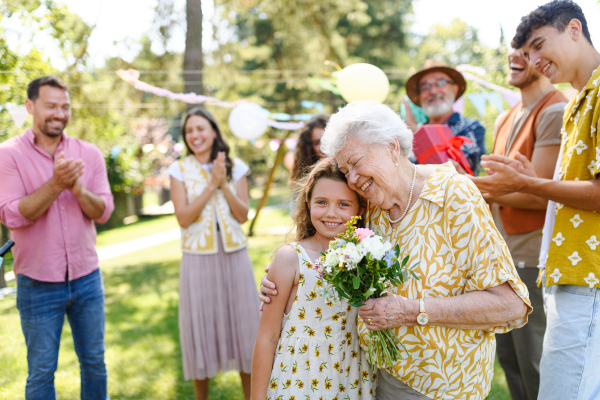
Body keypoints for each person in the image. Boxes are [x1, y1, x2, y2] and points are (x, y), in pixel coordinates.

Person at [260, 100, 531, 400]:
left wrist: (413, 311)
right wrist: (278, 283)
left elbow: (510, 304)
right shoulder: (373, 206)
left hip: (442, 387)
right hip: (376, 379)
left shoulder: (453, 195)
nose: (351, 179)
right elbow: (324, 248)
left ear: (391, 148)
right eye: (344, 169)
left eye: (355, 163)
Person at [472, 1, 600, 399]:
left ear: (575, 29)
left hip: (588, 275)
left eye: (540, 45)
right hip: (565, 269)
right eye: (529, 54)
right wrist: (528, 180)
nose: (536, 60)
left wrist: (528, 185)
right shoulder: (580, 99)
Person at [0, 76, 114, 399]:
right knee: (41, 371)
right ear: (30, 106)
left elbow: (103, 211)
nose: (59, 113)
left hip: (86, 277)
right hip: (37, 282)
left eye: (65, 107)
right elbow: (10, 214)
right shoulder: (7, 155)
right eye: (50, 105)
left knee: (94, 363)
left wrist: (77, 189)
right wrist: (56, 184)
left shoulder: (88, 154)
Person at [477, 47, 567, 400]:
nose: (516, 53)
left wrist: (468, 185)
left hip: (531, 254)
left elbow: (540, 195)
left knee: (533, 361)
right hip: (500, 255)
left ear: (544, 58)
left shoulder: (555, 111)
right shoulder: (505, 117)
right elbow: (501, 188)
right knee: (510, 359)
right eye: (514, 47)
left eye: (528, 48)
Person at [251, 159, 376, 400]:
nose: (331, 213)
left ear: (359, 209)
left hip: (351, 380)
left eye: (343, 204)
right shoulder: (291, 258)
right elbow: (267, 337)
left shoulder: (368, 259)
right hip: (300, 381)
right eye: (321, 202)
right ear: (308, 203)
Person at [167, 107, 259, 400]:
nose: (195, 135)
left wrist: (224, 184)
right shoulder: (178, 170)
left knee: (245, 331)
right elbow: (183, 218)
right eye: (189, 131)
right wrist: (211, 185)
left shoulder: (237, 166)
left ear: (214, 132)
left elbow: (243, 215)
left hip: (235, 257)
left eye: (201, 128)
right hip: (198, 260)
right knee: (201, 331)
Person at [403, 60, 487, 174]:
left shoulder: (471, 128)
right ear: (419, 97)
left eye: (440, 82)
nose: (432, 91)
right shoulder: (408, 136)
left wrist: (418, 135)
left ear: (454, 89)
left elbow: (458, 174)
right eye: (425, 87)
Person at [289, 114, 329, 181]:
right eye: (317, 143)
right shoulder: (309, 181)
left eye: (326, 140)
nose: (323, 146)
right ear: (309, 148)